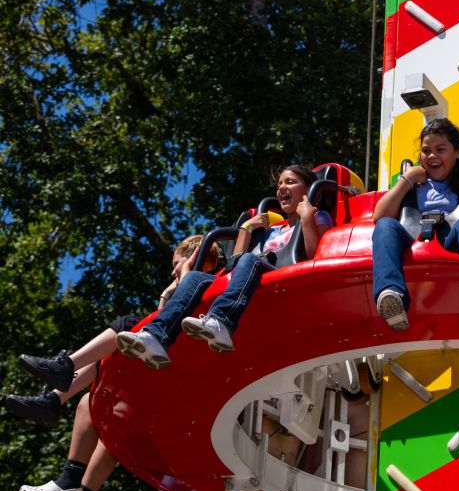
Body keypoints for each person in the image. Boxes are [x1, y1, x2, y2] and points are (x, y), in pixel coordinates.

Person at [117, 165, 331, 365]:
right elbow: (236, 261)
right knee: (194, 277)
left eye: (290, 182)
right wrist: (247, 228)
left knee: (250, 260)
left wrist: (306, 218)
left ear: (308, 189)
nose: (282, 188)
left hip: (286, 274)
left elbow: (315, 255)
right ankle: (156, 336)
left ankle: (222, 321)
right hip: (253, 274)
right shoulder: (273, 230)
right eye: (279, 184)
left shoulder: (317, 217)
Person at [6, 235, 214, 427]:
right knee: (105, 353)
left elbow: (167, 324)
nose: (172, 272)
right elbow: (162, 320)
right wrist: (165, 295)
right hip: (168, 349)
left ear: (195, 257)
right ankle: (53, 398)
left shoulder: (204, 283)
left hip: (185, 353)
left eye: (176, 264)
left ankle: (65, 367)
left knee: (127, 324)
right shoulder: (189, 288)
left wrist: (185, 274)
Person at [372, 118, 459, 331]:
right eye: (426, 151)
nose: (431, 156)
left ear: (457, 152)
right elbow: (379, 216)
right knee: (384, 227)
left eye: (440, 149)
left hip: (452, 233)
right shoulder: (414, 182)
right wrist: (407, 179)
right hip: (413, 233)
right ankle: (391, 295)